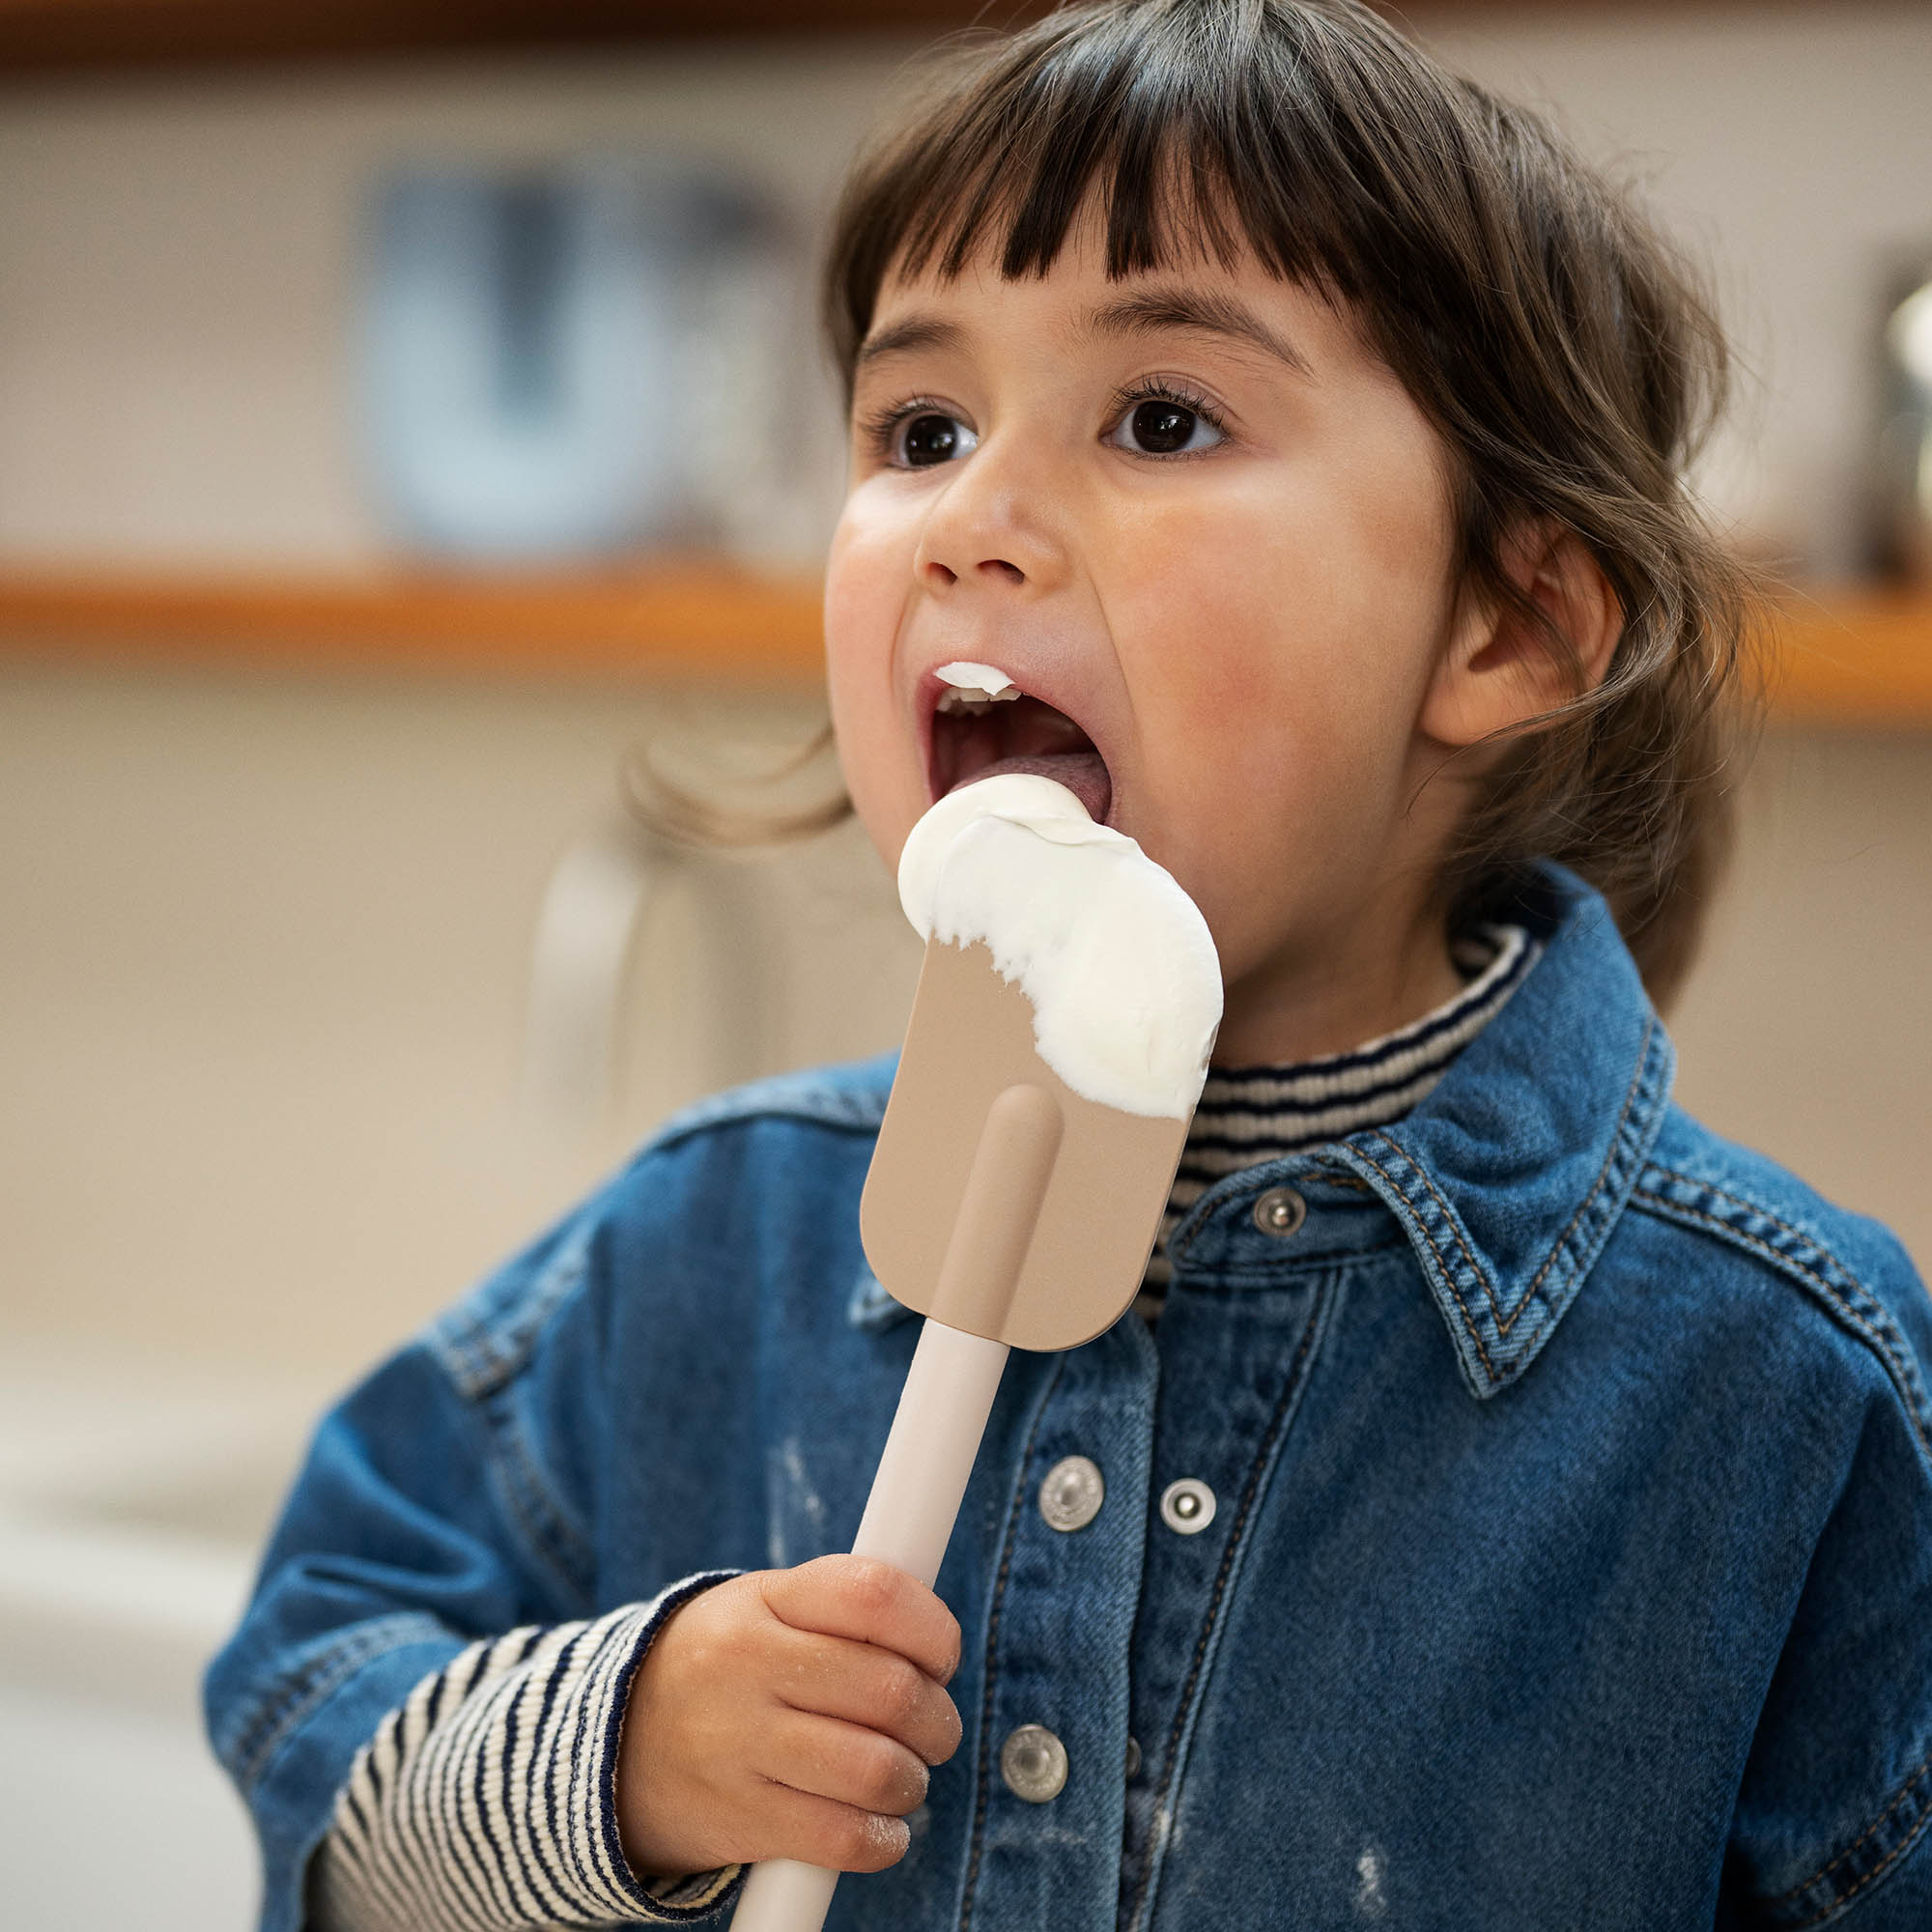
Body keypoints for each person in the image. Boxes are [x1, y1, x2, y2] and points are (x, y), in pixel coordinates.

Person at [206, 3, 1932, 1926]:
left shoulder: (1785, 1391)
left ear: (1507, 624)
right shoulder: (701, 1251)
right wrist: (618, 1754)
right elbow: (311, 1723)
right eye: (918, 429)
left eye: (1162, 417)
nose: (973, 518)